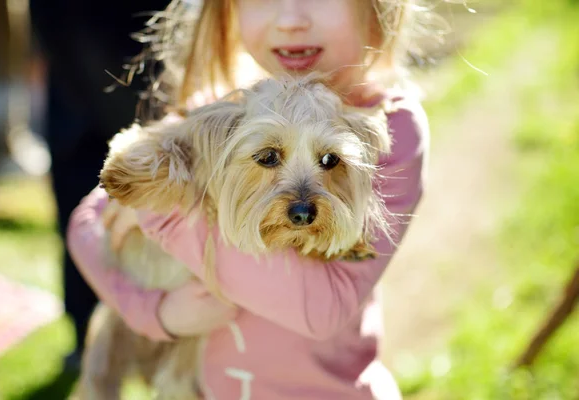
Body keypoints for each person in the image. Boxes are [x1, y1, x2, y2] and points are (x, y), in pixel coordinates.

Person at [67, 0, 433, 398]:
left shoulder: (391, 128)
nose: (292, 20)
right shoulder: (215, 111)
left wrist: (164, 218)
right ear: (228, 10)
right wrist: (157, 315)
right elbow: (87, 225)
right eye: (268, 158)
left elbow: (321, 310)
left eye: (329, 161)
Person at [28, 0, 170, 367]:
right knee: (80, 185)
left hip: (134, 37)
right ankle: (87, 333)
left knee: (146, 180)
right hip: (73, 33)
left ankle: (154, 334)